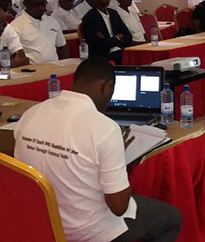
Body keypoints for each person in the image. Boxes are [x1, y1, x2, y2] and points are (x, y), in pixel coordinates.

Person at [14, 57, 182, 242]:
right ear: (107, 87)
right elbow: (119, 207)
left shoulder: (31, 114)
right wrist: (119, 160)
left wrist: (112, 155)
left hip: (44, 223)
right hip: (86, 231)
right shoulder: (105, 128)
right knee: (172, 219)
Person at [10, 0, 68, 64]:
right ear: (25, 4)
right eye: (36, 5)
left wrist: (63, 65)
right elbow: (14, 56)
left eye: (43, 4)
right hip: (31, 71)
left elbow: (62, 47)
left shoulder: (52, 22)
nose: (41, 8)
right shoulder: (15, 26)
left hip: (54, 68)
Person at [81, 0, 132, 65]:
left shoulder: (113, 13)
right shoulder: (90, 18)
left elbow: (128, 35)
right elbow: (99, 44)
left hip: (120, 49)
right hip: (103, 55)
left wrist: (114, 40)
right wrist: (117, 37)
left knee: (134, 55)